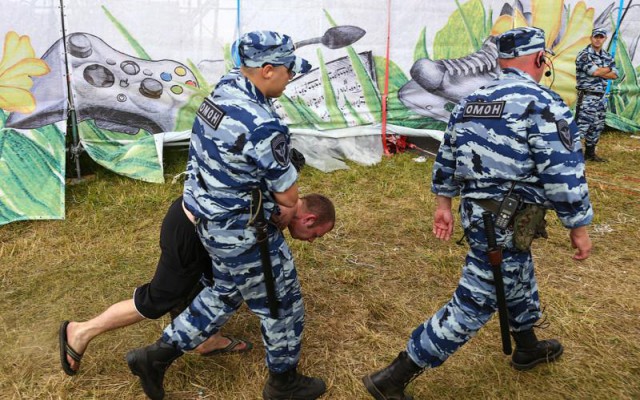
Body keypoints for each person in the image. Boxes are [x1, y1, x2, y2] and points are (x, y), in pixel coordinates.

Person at [362, 26, 593, 400]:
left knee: (516, 270)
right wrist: (578, 226)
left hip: (480, 216)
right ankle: (394, 376)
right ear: (539, 59)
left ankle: (528, 345)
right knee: (475, 302)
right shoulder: (542, 103)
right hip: (507, 220)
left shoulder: (472, 100)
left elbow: (447, 154)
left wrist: (443, 205)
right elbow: (562, 171)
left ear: (500, 61)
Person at [125, 31, 335, 400]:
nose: (290, 79)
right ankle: (283, 384)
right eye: (288, 72)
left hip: (208, 219)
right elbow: (287, 197)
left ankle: (155, 357)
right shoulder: (261, 124)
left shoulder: (225, 87)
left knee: (223, 293)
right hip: (243, 231)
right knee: (282, 304)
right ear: (267, 70)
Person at [59, 193, 328, 377]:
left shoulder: (281, 205)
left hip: (210, 232)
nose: (313, 240)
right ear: (310, 219)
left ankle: (207, 341)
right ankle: (80, 331)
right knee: (156, 300)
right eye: (317, 234)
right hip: (188, 230)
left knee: (218, 284)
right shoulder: (279, 204)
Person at [575, 27, 618, 162]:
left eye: (601, 37)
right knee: (582, 126)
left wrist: (604, 70)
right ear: (591, 38)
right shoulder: (584, 55)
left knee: (597, 126)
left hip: (601, 97)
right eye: (596, 37)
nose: (598, 39)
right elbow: (595, 72)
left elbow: (615, 75)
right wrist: (608, 69)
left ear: (604, 39)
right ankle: (573, 155)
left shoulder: (606, 56)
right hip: (587, 96)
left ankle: (590, 154)